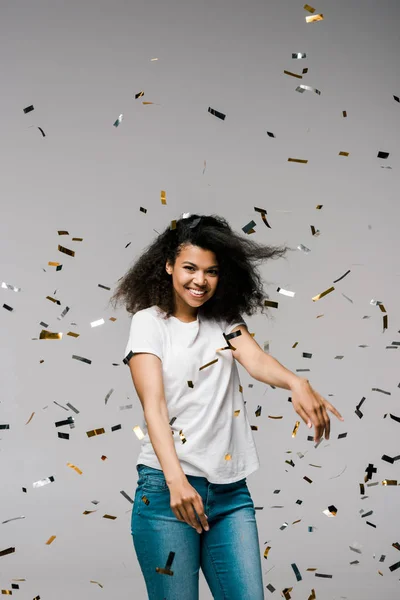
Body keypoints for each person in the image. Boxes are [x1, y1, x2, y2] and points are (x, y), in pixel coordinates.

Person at [109, 213, 344, 600]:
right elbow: (154, 409)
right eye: (189, 268)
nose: (199, 281)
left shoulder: (223, 321)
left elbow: (256, 361)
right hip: (169, 492)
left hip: (231, 494)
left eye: (211, 271)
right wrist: (176, 482)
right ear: (167, 265)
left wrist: (296, 382)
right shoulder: (148, 323)